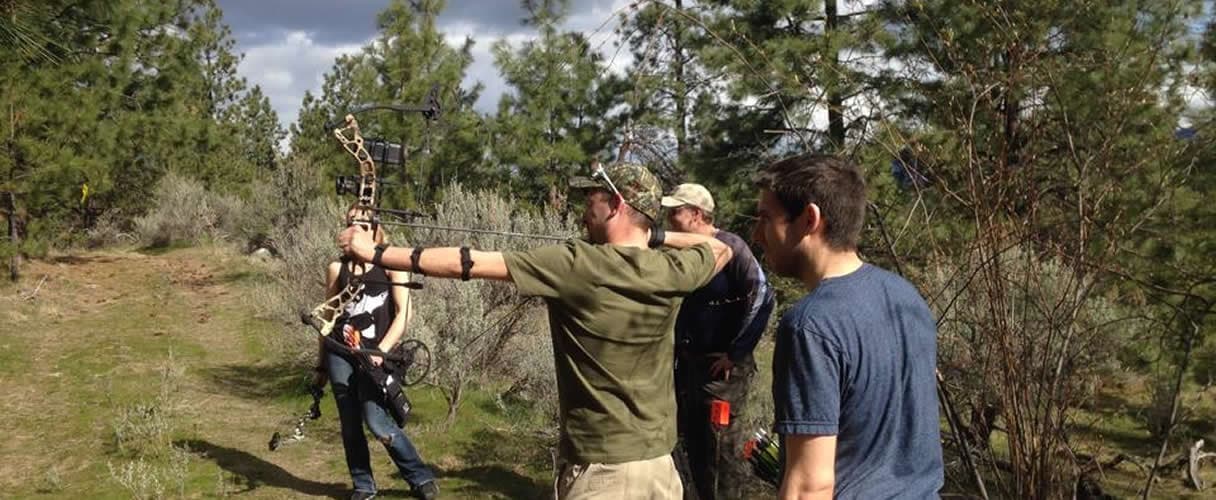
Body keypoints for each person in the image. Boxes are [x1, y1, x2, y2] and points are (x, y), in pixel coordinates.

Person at [337, 163, 734, 500]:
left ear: (616, 205)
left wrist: (374, 253)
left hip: (605, 474)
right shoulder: (671, 269)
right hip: (659, 469)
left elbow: (468, 263)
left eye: (591, 200)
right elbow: (720, 249)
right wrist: (654, 236)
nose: (584, 210)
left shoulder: (577, 264)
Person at [751, 154, 943, 499]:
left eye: (766, 218)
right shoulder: (906, 297)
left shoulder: (810, 327)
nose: (756, 234)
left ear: (809, 219)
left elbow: (810, 486)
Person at [661, 183, 775, 500]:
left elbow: (763, 295)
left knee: (721, 449)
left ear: (697, 214)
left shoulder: (730, 246)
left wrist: (735, 353)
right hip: (688, 368)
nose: (669, 217)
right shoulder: (681, 250)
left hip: (721, 375)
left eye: (676, 211)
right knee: (692, 444)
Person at [315, 208, 439, 500]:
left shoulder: (391, 264)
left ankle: (420, 478)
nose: (356, 228)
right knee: (349, 422)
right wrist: (320, 366)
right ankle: (363, 486)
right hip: (340, 352)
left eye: (363, 223)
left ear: (376, 229)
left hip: (375, 355)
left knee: (376, 419)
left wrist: (382, 351)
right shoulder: (337, 268)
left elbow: (404, 312)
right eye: (350, 223)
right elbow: (328, 320)